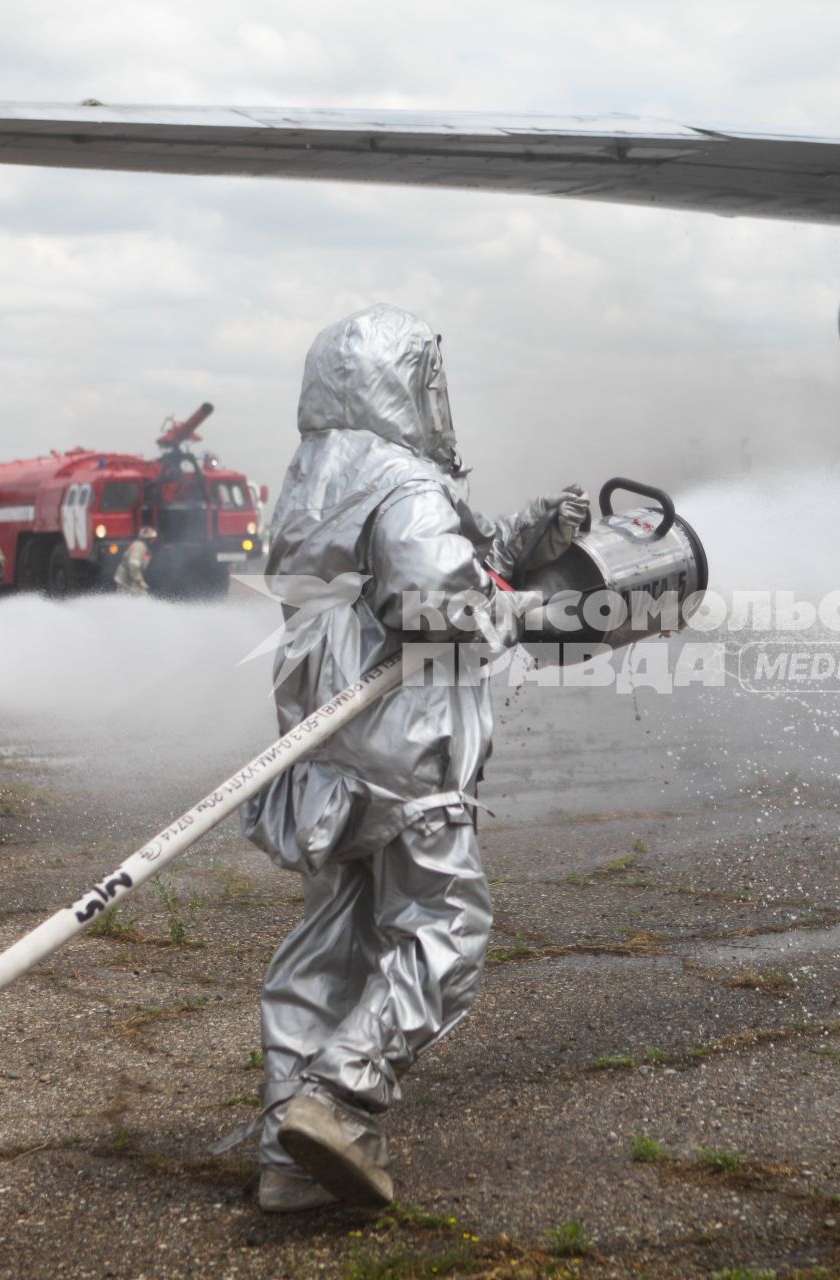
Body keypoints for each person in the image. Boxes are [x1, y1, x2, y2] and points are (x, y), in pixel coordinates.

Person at [239, 304, 586, 1212]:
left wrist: (518, 536)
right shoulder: (405, 480)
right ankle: (342, 1097)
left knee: (332, 944)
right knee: (444, 928)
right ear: (408, 385)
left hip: (331, 754)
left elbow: (406, 575)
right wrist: (520, 609)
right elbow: (442, 604)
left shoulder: (317, 475)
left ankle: (288, 1150)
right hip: (408, 749)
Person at [115, 527, 156, 595]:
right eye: (152, 538)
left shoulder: (141, 547)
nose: (154, 540)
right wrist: (139, 581)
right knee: (143, 598)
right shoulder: (139, 546)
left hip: (128, 581)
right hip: (128, 582)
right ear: (147, 538)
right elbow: (133, 564)